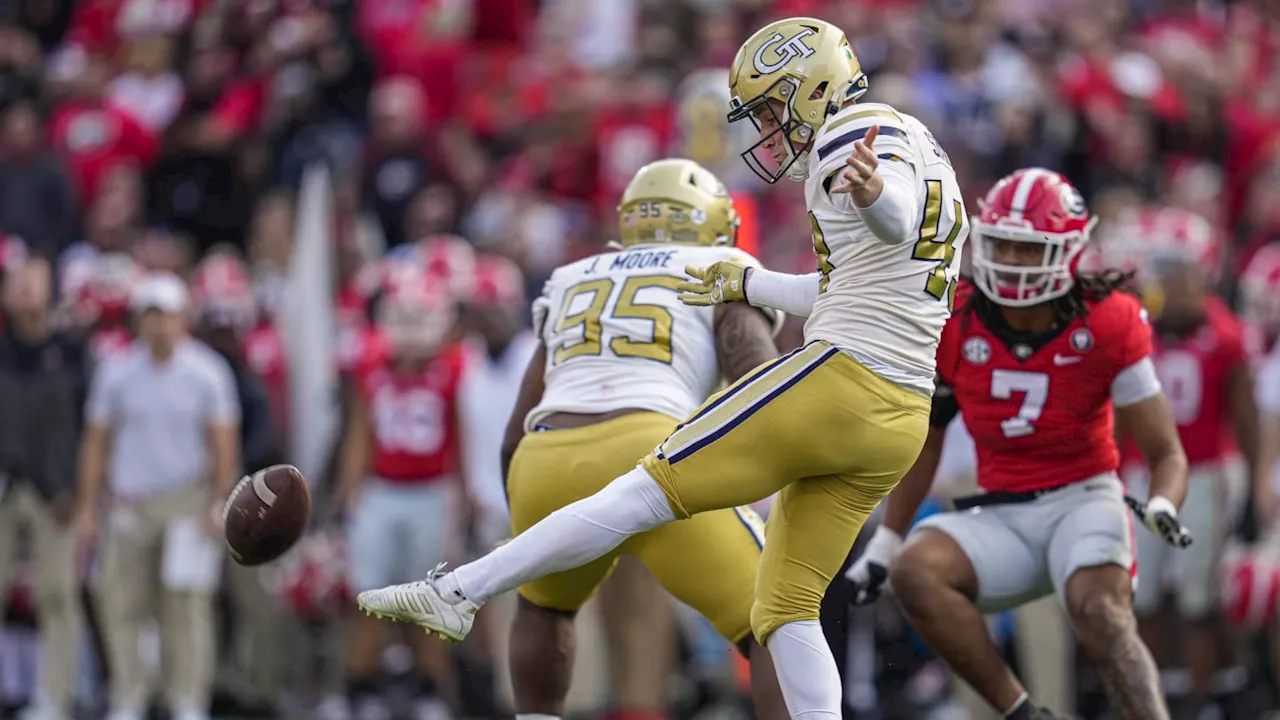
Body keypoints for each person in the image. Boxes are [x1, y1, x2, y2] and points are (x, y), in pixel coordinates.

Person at [358, 16, 967, 717]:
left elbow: (891, 208)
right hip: (901, 410)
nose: (768, 131)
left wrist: (870, 196)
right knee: (784, 607)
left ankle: (457, 591)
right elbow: (849, 283)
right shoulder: (925, 145)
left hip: (845, 379)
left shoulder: (847, 140)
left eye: (771, 109)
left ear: (812, 86)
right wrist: (746, 281)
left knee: (644, 489)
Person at [843, 169, 1190, 720]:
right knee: (915, 571)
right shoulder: (956, 317)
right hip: (1001, 509)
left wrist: (1164, 504)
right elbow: (928, 443)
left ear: (1067, 251)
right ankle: (1024, 712)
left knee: (1100, 613)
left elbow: (1166, 449)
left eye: (1027, 247)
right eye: (1001, 241)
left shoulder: (1107, 319)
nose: (1009, 257)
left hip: (1083, 498)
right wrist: (885, 545)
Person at [494, 158, 788, 720]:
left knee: (544, 610)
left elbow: (517, 425)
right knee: (777, 620)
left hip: (545, 453)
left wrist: (529, 520)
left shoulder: (573, 277)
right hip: (651, 447)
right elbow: (761, 380)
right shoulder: (719, 264)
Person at [76, 272, 241, 720]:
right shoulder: (117, 370)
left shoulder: (207, 371)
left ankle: (186, 697)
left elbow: (224, 442)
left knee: (186, 606)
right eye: (151, 315)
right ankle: (129, 695)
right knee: (123, 603)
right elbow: (96, 441)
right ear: (138, 321)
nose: (160, 326)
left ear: (183, 318)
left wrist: (219, 502)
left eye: (167, 315)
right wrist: (89, 506)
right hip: (129, 502)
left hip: (188, 500)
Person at [1115, 209, 1259, 715]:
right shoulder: (1136, 326)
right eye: (1165, 270)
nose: (1170, 283)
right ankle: (1152, 697)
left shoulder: (1225, 334)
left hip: (1203, 474)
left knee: (1200, 596)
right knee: (1143, 594)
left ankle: (1200, 699)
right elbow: (1115, 412)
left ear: (1204, 270)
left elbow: (1246, 422)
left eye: (1181, 270)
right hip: (1140, 470)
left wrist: (1255, 486)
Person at [335, 264, 468, 719]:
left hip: (432, 492)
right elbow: (360, 430)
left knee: (432, 601)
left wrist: (463, 501)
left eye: (420, 318)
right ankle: (360, 689)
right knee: (368, 596)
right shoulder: (371, 359)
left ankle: (432, 691)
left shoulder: (454, 365)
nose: (411, 331)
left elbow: (462, 439)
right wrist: (348, 494)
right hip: (380, 491)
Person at [0, 256, 90, 720]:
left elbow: (91, 427)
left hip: (56, 491)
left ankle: (54, 697)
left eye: (33, 283)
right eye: (16, 284)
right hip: (4, 485)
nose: (25, 292)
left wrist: (81, 487)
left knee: (58, 595)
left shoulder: (73, 352)